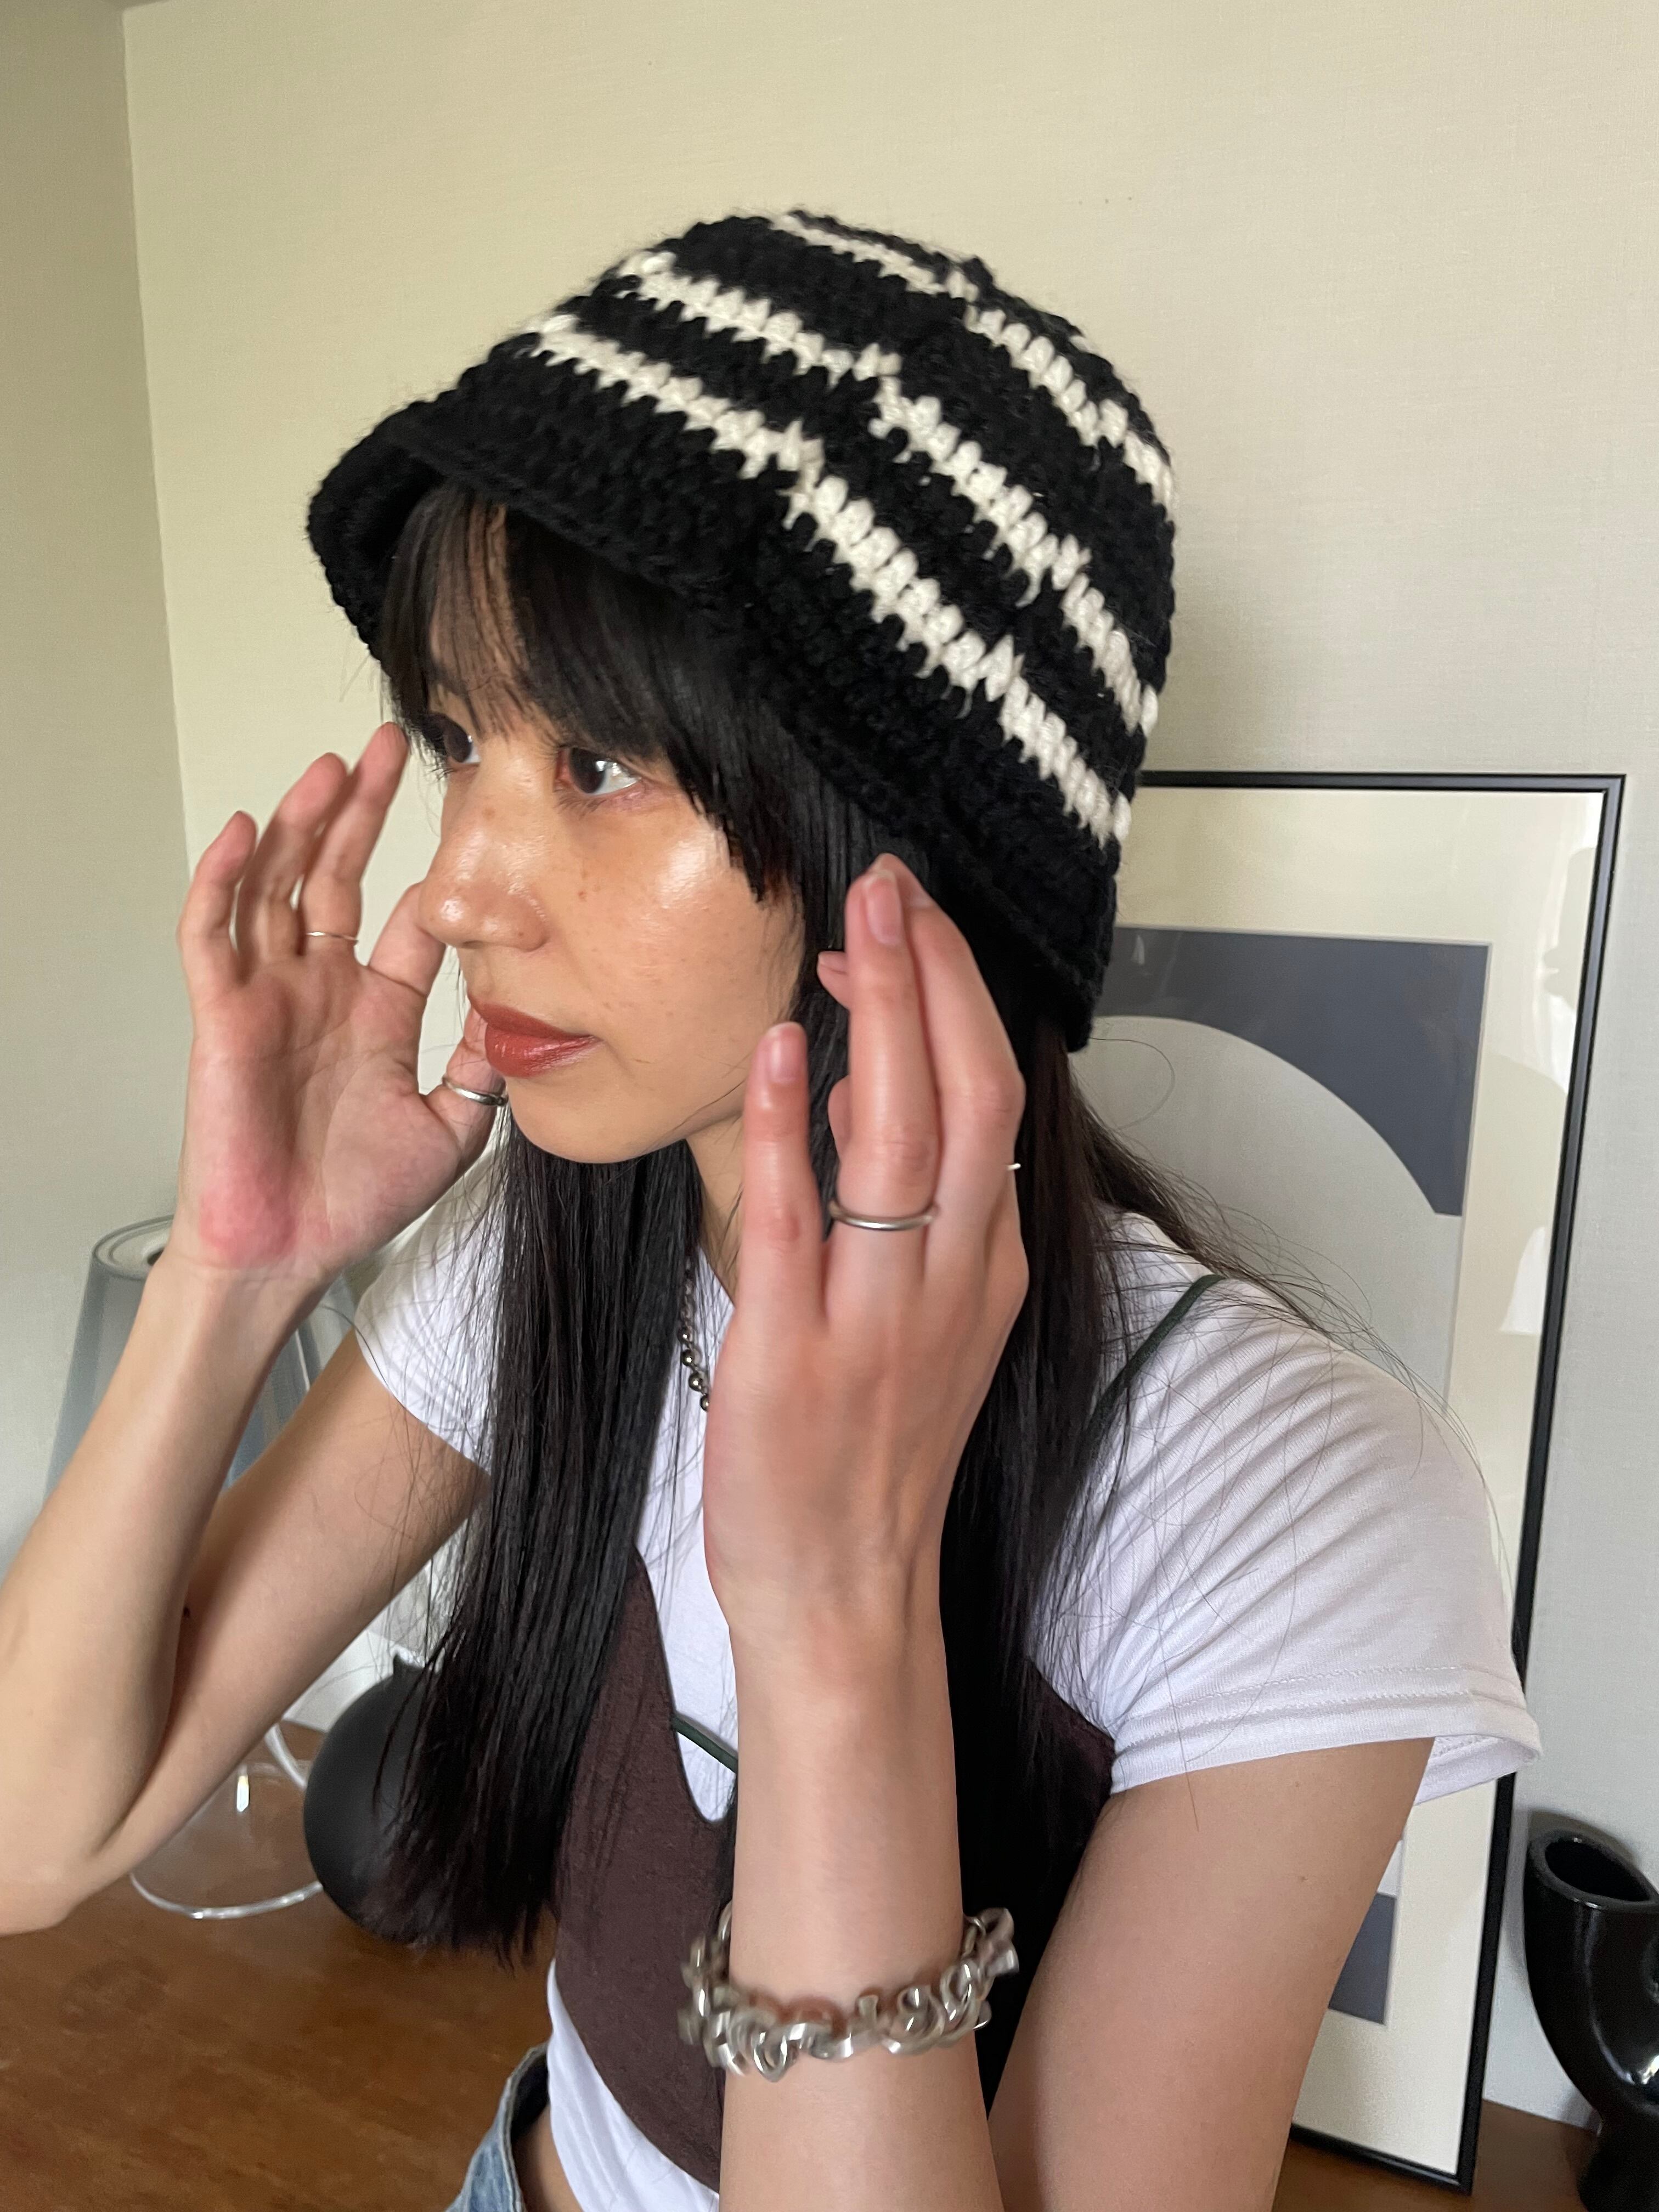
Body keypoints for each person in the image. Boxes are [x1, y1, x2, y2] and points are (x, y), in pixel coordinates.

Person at [0, 211, 1539, 2212]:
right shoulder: (550, 1250)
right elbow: (35, 1840)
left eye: (599, 760)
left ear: (910, 853)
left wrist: (836, 1621)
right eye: (461, 740)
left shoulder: (1285, 1496)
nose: (454, 888)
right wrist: (240, 1264)